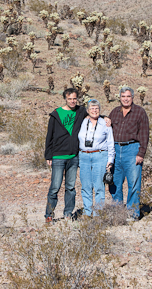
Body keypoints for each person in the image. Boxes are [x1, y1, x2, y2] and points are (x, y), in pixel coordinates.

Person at [44, 88, 86, 222]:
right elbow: (49, 135)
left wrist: (105, 118)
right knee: (55, 187)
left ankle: (68, 213)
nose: (72, 101)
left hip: (73, 156)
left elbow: (94, 113)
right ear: (65, 99)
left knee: (70, 187)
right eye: (70, 99)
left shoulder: (81, 111)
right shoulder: (56, 114)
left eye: (74, 99)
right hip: (58, 155)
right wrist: (48, 155)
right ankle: (49, 214)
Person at [108, 86, 149, 220]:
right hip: (115, 149)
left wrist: (141, 153)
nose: (125, 99)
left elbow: (144, 133)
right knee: (114, 182)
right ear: (119, 98)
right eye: (123, 96)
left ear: (132, 97)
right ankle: (118, 212)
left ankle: (132, 213)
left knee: (133, 183)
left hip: (132, 149)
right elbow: (106, 129)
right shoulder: (114, 112)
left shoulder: (140, 112)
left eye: (128, 96)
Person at [78, 99, 115, 216]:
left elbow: (110, 142)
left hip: (100, 155)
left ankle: (98, 214)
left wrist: (110, 160)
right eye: (92, 108)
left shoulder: (105, 123)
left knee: (99, 186)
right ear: (87, 110)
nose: (94, 110)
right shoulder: (82, 121)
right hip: (84, 156)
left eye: (97, 108)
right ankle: (87, 212)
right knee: (86, 186)